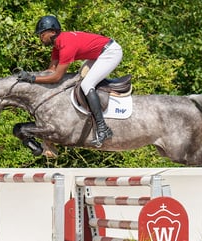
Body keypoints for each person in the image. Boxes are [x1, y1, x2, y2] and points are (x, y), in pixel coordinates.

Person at [17, 15, 123, 147]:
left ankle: (103, 129)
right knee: (80, 77)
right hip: (98, 54)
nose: (40, 37)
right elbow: (50, 71)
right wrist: (31, 77)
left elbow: (57, 77)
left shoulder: (67, 45)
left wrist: (32, 79)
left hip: (111, 52)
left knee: (86, 84)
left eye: (42, 34)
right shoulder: (57, 45)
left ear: (53, 32)